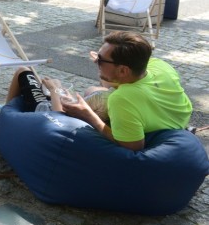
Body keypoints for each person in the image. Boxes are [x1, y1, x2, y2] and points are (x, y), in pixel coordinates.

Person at [54, 32, 191, 151]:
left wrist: (88, 115)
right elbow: (117, 80)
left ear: (123, 70)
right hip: (176, 119)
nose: (97, 62)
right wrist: (104, 64)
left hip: (158, 137)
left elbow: (132, 147)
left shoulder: (122, 99)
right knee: (92, 90)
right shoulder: (159, 65)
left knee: (91, 104)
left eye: (101, 60)